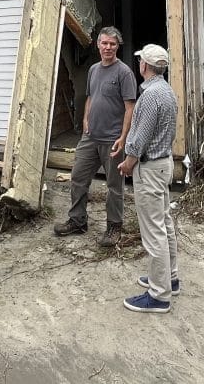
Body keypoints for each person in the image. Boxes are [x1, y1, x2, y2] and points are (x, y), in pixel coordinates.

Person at [54, 26, 137, 246]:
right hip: (90, 138)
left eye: (112, 44)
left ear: (117, 46)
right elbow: (90, 97)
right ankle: (78, 220)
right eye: (105, 43)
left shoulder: (124, 73)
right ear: (98, 45)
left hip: (112, 140)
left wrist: (123, 137)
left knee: (114, 186)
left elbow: (130, 107)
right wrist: (85, 120)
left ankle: (114, 227)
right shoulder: (93, 70)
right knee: (78, 178)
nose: (108, 47)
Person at [117, 44, 180, 313]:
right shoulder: (167, 91)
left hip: (151, 168)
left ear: (144, 66)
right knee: (164, 224)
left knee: (153, 232)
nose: (139, 64)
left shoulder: (150, 96)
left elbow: (140, 136)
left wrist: (128, 162)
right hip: (164, 164)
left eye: (140, 60)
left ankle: (159, 295)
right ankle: (170, 278)